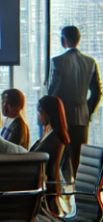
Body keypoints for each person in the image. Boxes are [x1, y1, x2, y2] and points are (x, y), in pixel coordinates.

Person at [47, 26, 102, 181]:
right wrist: (87, 110)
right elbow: (97, 92)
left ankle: (61, 199)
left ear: (63, 39)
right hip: (82, 119)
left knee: (58, 162)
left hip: (62, 120)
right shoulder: (90, 62)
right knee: (79, 164)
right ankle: (78, 199)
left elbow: (53, 92)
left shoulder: (57, 61)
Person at [31, 95, 70, 214]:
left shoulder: (52, 140)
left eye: (40, 111)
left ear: (48, 113)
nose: (38, 115)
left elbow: (35, 157)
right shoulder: (51, 134)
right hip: (46, 187)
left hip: (48, 193)